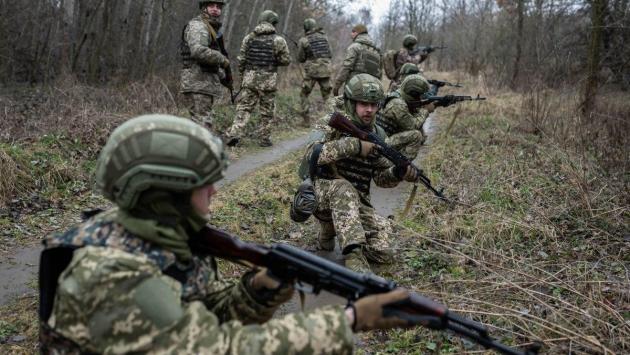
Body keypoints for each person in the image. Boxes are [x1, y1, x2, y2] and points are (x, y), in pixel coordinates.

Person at [38, 114, 416, 354]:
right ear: (163, 194)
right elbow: (219, 347)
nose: (215, 192)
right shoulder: (113, 273)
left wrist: (255, 292)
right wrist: (347, 321)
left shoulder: (161, 235)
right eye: (204, 185)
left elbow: (198, 313)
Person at [305, 74, 418, 273]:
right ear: (351, 102)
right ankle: (353, 257)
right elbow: (311, 155)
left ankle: (336, 229)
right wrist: (354, 145)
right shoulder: (331, 122)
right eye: (363, 104)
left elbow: (380, 178)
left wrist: (398, 173)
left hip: (356, 203)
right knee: (344, 188)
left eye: (374, 105)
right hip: (323, 193)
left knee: (385, 252)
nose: (369, 110)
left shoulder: (378, 134)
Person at [225, 10, 291, 147]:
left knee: (244, 108)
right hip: (268, 81)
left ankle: (234, 134)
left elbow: (241, 60)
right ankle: (264, 139)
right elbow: (285, 61)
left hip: (250, 79)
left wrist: (243, 77)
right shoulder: (278, 40)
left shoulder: (248, 38)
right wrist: (274, 59)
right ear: (273, 23)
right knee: (267, 111)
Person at [180, 0, 232, 132]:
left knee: (200, 125)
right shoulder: (198, 26)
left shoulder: (210, 27)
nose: (215, 9)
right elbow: (198, 51)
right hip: (198, 83)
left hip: (203, 83)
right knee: (203, 126)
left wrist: (222, 77)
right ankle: (199, 152)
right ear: (204, 8)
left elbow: (207, 62)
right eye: (211, 6)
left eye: (218, 7)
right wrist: (222, 59)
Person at [378, 74, 435, 160]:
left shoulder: (398, 96)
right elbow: (413, 126)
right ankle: (401, 166)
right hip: (380, 142)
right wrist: (425, 110)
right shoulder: (398, 103)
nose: (421, 98)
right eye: (420, 95)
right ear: (414, 93)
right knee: (416, 136)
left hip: (384, 137)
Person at [297, 18, 333, 126]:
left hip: (312, 72)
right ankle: (332, 121)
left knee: (304, 94)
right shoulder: (325, 37)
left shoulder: (303, 40)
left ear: (306, 28)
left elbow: (301, 58)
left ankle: (306, 121)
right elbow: (330, 54)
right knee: (327, 97)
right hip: (325, 70)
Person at [332, 24, 382, 96]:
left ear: (357, 33)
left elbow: (346, 67)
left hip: (354, 87)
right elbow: (379, 73)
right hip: (371, 90)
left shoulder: (355, 47)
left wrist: (337, 86)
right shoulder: (377, 51)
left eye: (352, 32)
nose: (351, 34)